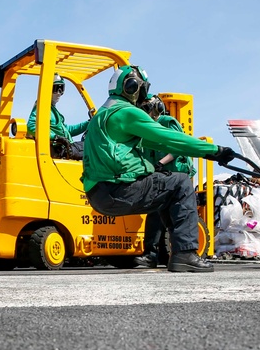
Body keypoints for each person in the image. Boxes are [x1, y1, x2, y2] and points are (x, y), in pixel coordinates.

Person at [82, 65, 234, 273]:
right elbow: (169, 138)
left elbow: (157, 144)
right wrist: (213, 150)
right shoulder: (126, 112)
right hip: (118, 189)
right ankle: (185, 254)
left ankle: (160, 253)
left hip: (98, 194)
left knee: (163, 189)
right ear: (133, 87)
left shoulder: (102, 116)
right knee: (180, 183)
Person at [136, 96, 197, 268]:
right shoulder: (144, 128)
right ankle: (155, 255)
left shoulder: (167, 122)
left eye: (147, 108)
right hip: (161, 176)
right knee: (156, 213)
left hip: (175, 174)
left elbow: (178, 146)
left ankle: (173, 254)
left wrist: (160, 164)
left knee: (176, 214)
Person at [26, 73, 89, 159]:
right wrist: (55, 137)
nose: (59, 93)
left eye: (61, 89)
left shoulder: (51, 110)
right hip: (60, 150)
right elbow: (31, 126)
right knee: (95, 146)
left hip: (65, 147)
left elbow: (66, 130)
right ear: (47, 89)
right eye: (56, 89)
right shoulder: (42, 107)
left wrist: (88, 123)